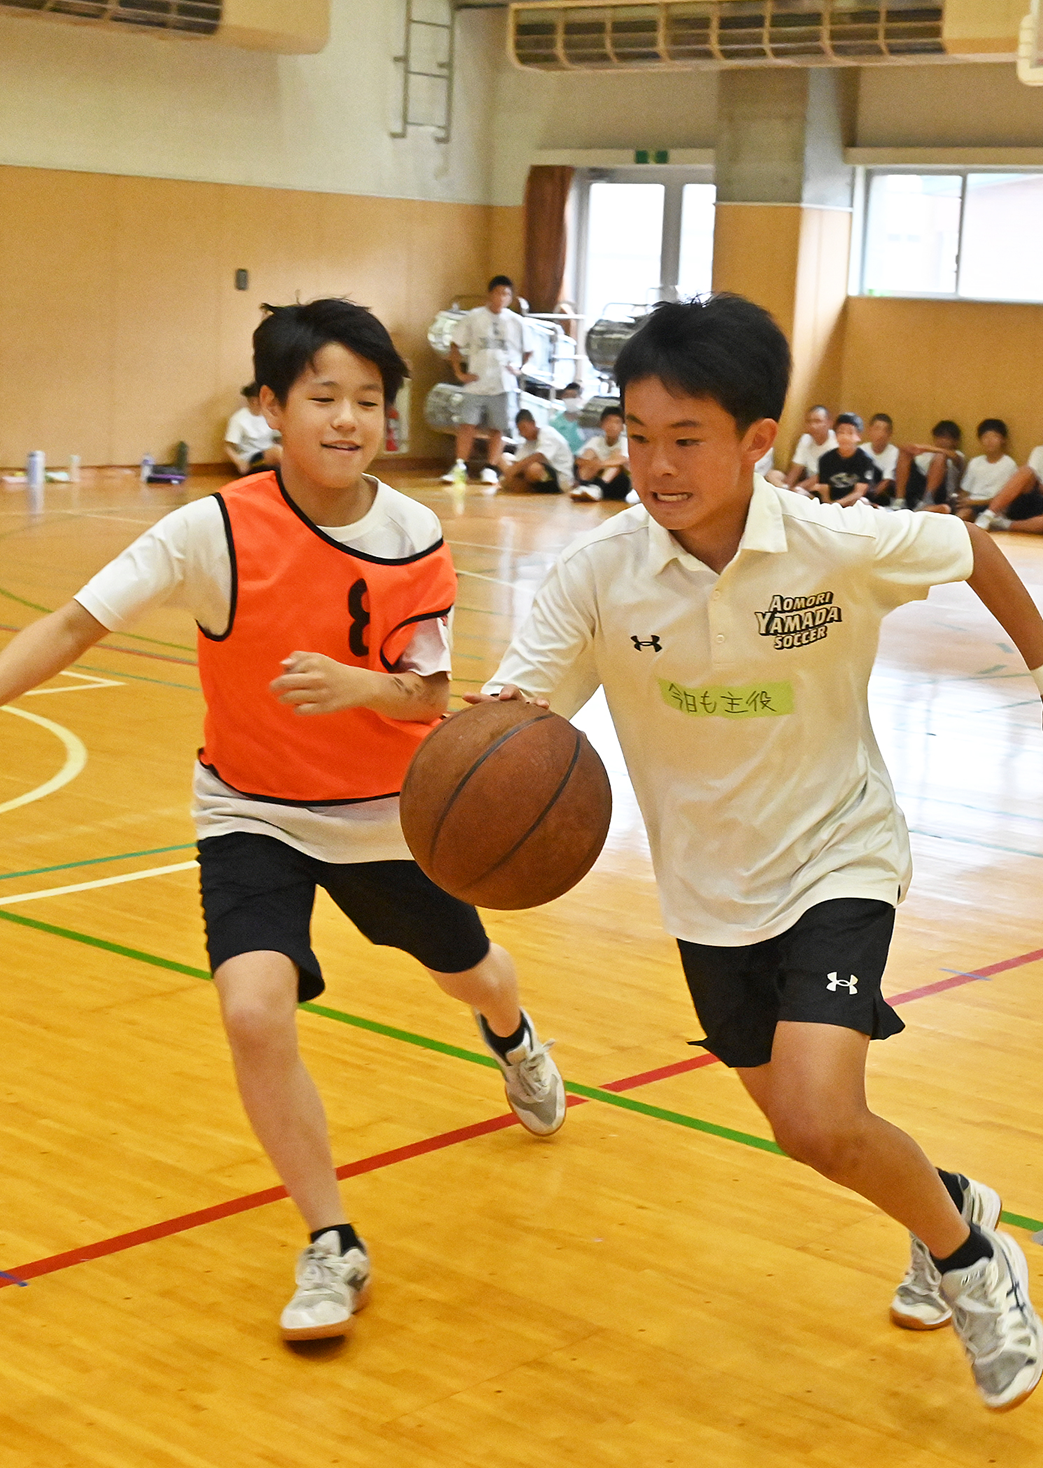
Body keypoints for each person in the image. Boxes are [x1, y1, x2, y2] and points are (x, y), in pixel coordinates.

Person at [468, 294, 1043, 1412]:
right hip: (707, 890)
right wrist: (426, 729)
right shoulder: (599, 574)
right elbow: (515, 721)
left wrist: (1038, 657)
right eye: (637, 435)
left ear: (756, 440)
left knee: (823, 1111)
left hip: (838, 852)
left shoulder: (834, 541)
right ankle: (951, 1205)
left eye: (685, 439)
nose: (655, 464)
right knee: (807, 1134)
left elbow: (969, 544)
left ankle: (975, 1265)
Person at [0, 298, 566, 1345]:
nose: (347, 419)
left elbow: (427, 696)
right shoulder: (209, 529)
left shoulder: (412, 534)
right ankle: (331, 1240)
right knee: (254, 1011)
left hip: (384, 816)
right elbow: (74, 623)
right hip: (249, 809)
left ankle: (513, 1036)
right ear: (270, 407)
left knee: (474, 974)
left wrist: (359, 688)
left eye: (368, 400)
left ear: (389, 416)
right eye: (322, 397)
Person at [442, 276, 530, 487]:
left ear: (511, 297)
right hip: (476, 383)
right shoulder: (474, 317)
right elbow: (455, 344)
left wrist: (519, 369)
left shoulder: (516, 321)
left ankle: (491, 468)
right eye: (498, 292)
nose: (501, 297)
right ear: (490, 294)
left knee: (498, 428)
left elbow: (530, 349)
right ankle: (460, 466)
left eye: (506, 294)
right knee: (467, 425)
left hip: (503, 384)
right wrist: (459, 373)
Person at [496, 409, 574, 493]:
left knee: (533, 468)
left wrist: (514, 470)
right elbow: (517, 461)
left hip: (560, 478)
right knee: (503, 458)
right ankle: (517, 485)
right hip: (538, 476)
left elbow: (539, 456)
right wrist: (510, 472)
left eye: (524, 428)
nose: (523, 434)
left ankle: (521, 486)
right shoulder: (527, 442)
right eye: (520, 431)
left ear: (533, 423)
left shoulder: (548, 433)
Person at [955, 420, 1018, 523]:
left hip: (992, 507)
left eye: (994, 437)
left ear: (1003, 440)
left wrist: (974, 502)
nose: (989, 441)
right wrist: (961, 502)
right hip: (971, 503)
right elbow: (965, 491)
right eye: (985, 437)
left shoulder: (1009, 464)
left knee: (965, 515)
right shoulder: (975, 462)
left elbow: (1006, 497)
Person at [808, 413, 876, 506]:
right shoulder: (825, 459)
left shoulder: (865, 460)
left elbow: (859, 493)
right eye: (841, 432)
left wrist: (837, 504)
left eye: (850, 433)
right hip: (830, 503)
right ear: (835, 435)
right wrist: (829, 505)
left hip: (851, 504)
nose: (845, 437)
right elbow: (825, 492)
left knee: (863, 501)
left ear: (859, 436)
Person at [895, 422, 964, 513]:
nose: (943, 440)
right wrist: (916, 449)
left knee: (940, 456)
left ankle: (926, 501)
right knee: (905, 453)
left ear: (955, 441)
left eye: (947, 438)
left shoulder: (958, 455)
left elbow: (953, 456)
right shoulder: (925, 454)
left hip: (939, 495)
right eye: (940, 437)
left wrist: (927, 448)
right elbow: (903, 448)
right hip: (917, 488)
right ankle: (899, 500)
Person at [765, 404, 835, 491]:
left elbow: (821, 476)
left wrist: (798, 488)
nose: (813, 426)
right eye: (809, 421)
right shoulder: (805, 439)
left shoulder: (836, 442)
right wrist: (787, 486)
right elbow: (796, 468)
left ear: (829, 423)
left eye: (818, 421)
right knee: (772, 474)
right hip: (805, 484)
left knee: (799, 490)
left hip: (825, 486)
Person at [976, 443, 1043, 533]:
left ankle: (1003, 524)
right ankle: (988, 515)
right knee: (1026, 471)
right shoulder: (1039, 451)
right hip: (1032, 499)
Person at [572, 406, 631, 502]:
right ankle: (583, 486)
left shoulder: (625, 442)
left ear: (622, 427)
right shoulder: (595, 440)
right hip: (593, 478)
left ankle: (597, 488)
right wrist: (596, 463)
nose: (612, 426)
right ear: (602, 424)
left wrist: (600, 464)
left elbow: (623, 460)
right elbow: (580, 460)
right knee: (590, 454)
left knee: (616, 461)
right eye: (608, 421)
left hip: (617, 484)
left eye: (616, 422)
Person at [224, 382, 281, 475]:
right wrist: (240, 463)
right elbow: (228, 447)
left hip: (269, 455)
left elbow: (279, 437)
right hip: (251, 459)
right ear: (254, 400)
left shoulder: (268, 415)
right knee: (277, 451)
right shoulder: (239, 418)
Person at [861, 413, 899, 504]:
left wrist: (871, 496)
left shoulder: (894, 452)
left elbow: (887, 481)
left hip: (881, 494)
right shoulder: (861, 450)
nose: (881, 434)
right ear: (869, 431)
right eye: (877, 429)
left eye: (885, 430)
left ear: (890, 434)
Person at [550, 382, 591, 457]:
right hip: (560, 458)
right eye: (567, 396)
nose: (570, 399)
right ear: (562, 397)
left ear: (579, 398)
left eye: (573, 396)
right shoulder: (555, 421)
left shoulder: (587, 420)